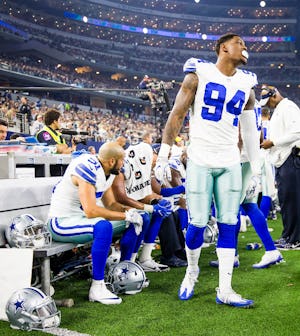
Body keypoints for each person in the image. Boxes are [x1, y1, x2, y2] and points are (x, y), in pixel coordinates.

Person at [155, 33, 261, 307]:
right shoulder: (198, 73)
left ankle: (225, 289)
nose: (245, 47)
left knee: (230, 224)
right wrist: (164, 154)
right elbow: (177, 114)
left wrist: (256, 166)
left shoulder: (247, 82)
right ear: (223, 47)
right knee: (197, 224)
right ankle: (192, 271)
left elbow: (250, 128)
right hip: (201, 158)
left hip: (229, 162)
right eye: (240, 43)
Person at [47, 142, 144, 304]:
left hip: (83, 220)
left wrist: (130, 212)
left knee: (142, 218)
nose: (124, 163)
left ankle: (123, 272)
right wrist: (125, 216)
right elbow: (91, 211)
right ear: (112, 161)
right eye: (122, 159)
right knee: (103, 226)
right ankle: (97, 287)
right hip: (61, 221)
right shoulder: (87, 167)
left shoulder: (108, 171)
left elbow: (111, 205)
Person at [111, 140, 173, 272]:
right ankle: (128, 265)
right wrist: (149, 206)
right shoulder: (122, 168)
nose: (155, 161)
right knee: (142, 217)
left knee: (158, 212)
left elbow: (140, 193)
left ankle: (144, 258)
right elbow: (121, 198)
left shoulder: (142, 166)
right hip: (113, 207)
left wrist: (156, 201)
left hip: (125, 206)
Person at [260, 85, 300, 250]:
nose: (268, 104)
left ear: (275, 94)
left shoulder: (288, 107)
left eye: (268, 100)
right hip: (283, 160)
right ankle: (287, 235)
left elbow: (298, 131)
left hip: (291, 158)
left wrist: (273, 142)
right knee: (285, 200)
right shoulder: (280, 109)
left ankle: (295, 239)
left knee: (293, 201)